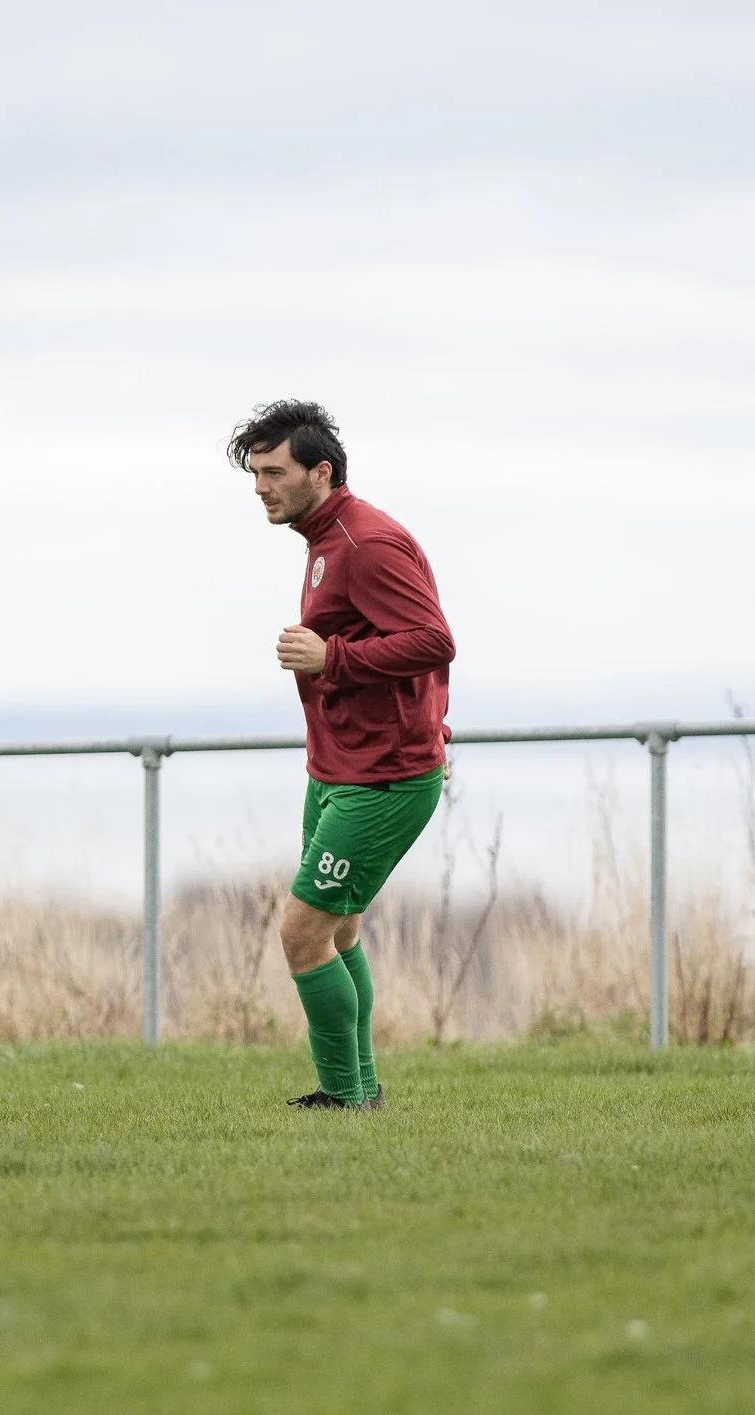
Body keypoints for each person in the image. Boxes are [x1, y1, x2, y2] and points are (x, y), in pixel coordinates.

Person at [228, 400, 456, 1109]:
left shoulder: (366, 543)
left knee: (302, 932)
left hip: (385, 777)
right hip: (337, 769)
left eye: (273, 472)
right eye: (254, 473)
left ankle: (343, 1097)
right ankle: (361, 1092)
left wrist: (332, 656)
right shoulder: (325, 538)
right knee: (339, 927)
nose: (260, 487)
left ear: (320, 471)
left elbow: (433, 641)